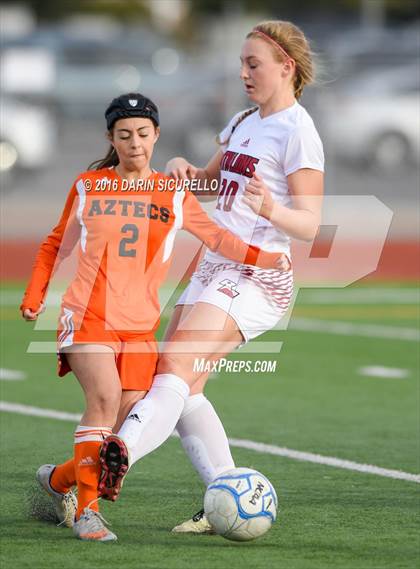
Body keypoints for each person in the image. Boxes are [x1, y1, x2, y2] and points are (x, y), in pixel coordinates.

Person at [21, 92, 289, 542]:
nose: (135, 143)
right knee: (103, 399)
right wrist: (35, 294)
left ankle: (60, 481)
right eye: (124, 135)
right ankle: (87, 514)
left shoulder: (174, 193)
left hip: (139, 328)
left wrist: (266, 259)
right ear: (111, 137)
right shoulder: (89, 184)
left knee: (120, 434)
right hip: (87, 314)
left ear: (156, 135)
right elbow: (54, 244)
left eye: (143, 134)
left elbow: (219, 239)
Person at [98, 19, 324, 534]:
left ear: (285, 67)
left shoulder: (298, 131)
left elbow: (309, 225)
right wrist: (185, 172)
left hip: (259, 272)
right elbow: (211, 182)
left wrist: (271, 208)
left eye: (253, 64)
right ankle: (226, 489)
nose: (243, 73)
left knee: (176, 363)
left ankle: (118, 453)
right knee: (178, 381)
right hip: (217, 262)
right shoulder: (245, 120)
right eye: (241, 63)